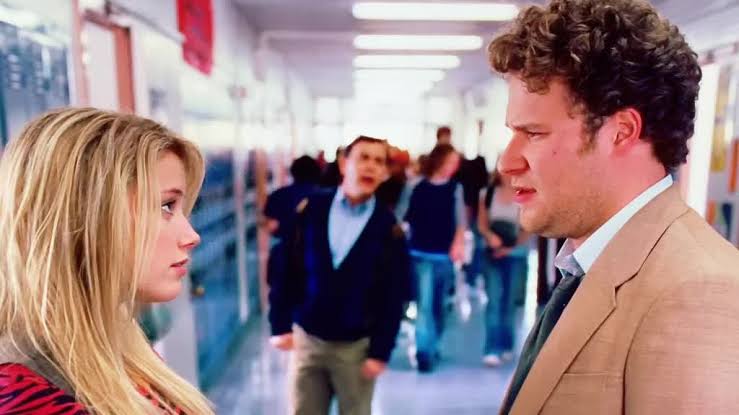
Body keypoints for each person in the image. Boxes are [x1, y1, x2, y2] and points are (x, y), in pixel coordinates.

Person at [488, 1, 739, 414]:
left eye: (533, 133)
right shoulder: (589, 263)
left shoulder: (697, 292)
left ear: (621, 132)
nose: (507, 162)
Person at [0, 108, 214, 414]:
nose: (191, 236)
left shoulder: (117, 345)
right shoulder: (25, 394)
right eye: (166, 206)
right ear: (86, 215)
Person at [268, 136, 410, 415]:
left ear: (384, 173)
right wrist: (279, 323)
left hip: (355, 348)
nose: (371, 166)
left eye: (378, 161)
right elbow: (286, 268)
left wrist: (381, 351)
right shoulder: (312, 209)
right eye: (363, 157)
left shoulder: (388, 227)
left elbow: (393, 294)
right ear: (344, 164)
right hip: (308, 339)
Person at [402, 143, 465, 372]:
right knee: (425, 304)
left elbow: (460, 221)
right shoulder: (415, 186)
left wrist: (458, 244)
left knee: (439, 305)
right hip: (420, 252)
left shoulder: (455, 189)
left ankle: (433, 343)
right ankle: (424, 352)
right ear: (439, 161)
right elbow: (403, 216)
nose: (454, 167)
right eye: (450, 162)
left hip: (443, 254)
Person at [478, 172, 529, 367]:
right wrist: (490, 237)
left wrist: (511, 248)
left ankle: (507, 344)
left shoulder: (525, 193)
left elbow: (528, 228)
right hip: (492, 253)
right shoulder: (488, 193)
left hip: (515, 255)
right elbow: (482, 224)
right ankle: (491, 348)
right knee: (493, 299)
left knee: (509, 301)